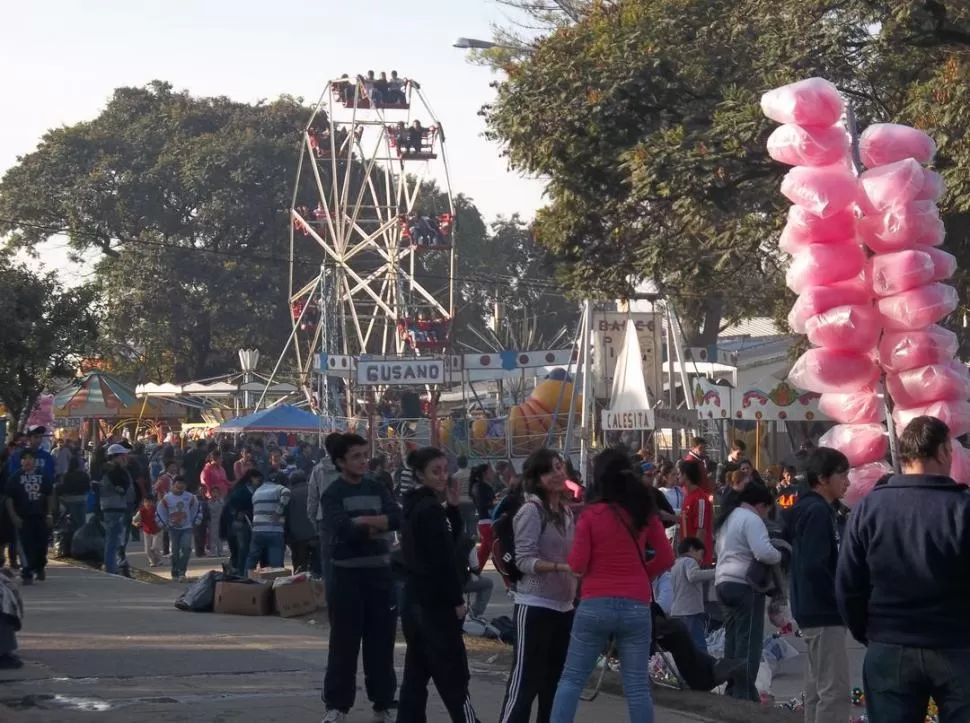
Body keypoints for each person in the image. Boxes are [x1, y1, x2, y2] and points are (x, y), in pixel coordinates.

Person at [837, 416, 970, 721]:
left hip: (889, 645)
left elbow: (848, 585)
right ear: (941, 452)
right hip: (956, 645)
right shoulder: (963, 509)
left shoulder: (869, 509)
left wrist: (870, 632)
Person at [550, 449, 674, 723]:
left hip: (595, 604)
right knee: (637, 687)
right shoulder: (644, 513)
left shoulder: (592, 515)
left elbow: (578, 565)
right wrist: (643, 574)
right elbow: (666, 557)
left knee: (571, 679)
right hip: (637, 605)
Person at [321, 433, 401, 723]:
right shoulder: (332, 493)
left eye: (365, 455)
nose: (363, 461)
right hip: (346, 577)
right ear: (341, 461)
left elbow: (396, 518)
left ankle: (384, 703)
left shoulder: (378, 487)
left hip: (380, 575)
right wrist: (375, 524)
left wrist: (364, 522)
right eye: (356, 456)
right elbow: (343, 529)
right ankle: (337, 706)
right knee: (344, 645)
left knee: (381, 644)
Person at [397, 447, 481, 723]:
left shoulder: (415, 506)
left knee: (416, 672)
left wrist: (453, 509)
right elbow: (443, 560)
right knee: (453, 675)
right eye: (436, 471)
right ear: (420, 474)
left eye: (446, 469)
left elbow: (445, 544)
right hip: (434, 603)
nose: (443, 476)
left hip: (415, 600)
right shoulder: (429, 509)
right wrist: (457, 600)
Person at [498, 449, 577, 723]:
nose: (557, 474)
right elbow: (524, 560)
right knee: (525, 683)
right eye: (549, 470)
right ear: (537, 477)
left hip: (564, 607)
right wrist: (559, 567)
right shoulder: (531, 511)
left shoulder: (566, 511)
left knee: (554, 683)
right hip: (535, 606)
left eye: (559, 467)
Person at [787, 446, 850, 723]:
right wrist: (839, 599)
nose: (847, 481)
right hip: (823, 612)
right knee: (834, 691)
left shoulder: (810, 508)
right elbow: (815, 565)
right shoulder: (817, 511)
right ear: (822, 478)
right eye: (842, 475)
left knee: (816, 688)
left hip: (811, 610)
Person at [714, 482, 781, 701]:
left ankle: (732, 688)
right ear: (761, 505)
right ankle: (744, 693)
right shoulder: (751, 519)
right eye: (767, 510)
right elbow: (763, 552)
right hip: (745, 585)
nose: (766, 516)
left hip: (723, 582)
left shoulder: (729, 517)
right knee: (749, 641)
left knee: (732, 639)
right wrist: (779, 554)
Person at [4, 449, 55, 584]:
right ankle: (26, 572)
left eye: (30, 458)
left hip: (40, 516)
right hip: (23, 517)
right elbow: (9, 498)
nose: (27, 461)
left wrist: (49, 513)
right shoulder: (15, 478)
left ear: (34, 461)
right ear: (20, 461)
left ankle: (39, 567)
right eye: (24, 458)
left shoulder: (42, 475)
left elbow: (49, 494)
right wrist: (14, 516)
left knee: (41, 545)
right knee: (25, 546)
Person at [669, 537, 715, 653]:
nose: (701, 560)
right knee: (698, 644)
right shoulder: (689, 561)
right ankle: (704, 669)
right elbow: (693, 575)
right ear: (691, 549)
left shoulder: (675, 564)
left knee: (683, 646)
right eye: (701, 554)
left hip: (677, 611)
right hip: (690, 611)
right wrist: (718, 571)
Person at [156, 476, 201, 582]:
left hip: (187, 528)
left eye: (182, 486)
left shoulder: (191, 497)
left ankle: (182, 571)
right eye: (178, 486)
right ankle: (175, 570)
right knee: (175, 551)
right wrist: (163, 523)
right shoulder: (167, 498)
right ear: (173, 485)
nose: (180, 488)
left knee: (186, 548)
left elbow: (197, 508)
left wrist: (196, 521)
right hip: (173, 529)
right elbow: (160, 510)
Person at [246, 471, 290, 573]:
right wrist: (278, 512)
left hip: (257, 530)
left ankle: (246, 580)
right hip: (274, 530)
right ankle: (275, 584)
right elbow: (287, 492)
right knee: (276, 563)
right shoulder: (278, 488)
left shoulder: (257, 491)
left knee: (252, 559)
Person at [100, 444, 134, 575]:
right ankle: (111, 567)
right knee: (113, 538)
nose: (125, 458)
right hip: (113, 506)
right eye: (123, 456)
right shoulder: (112, 471)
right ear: (115, 457)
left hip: (117, 506)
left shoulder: (116, 470)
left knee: (115, 538)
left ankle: (114, 564)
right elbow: (120, 487)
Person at [222, 469, 258, 576]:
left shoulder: (251, 490)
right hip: (239, 524)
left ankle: (234, 569)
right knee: (242, 549)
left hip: (243, 523)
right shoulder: (240, 491)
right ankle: (238, 571)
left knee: (240, 549)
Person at [679, 460, 713, 566]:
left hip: (697, 561)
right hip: (687, 557)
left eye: (679, 473)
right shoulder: (688, 496)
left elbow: (701, 530)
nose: (677, 476)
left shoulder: (700, 499)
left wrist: (695, 558)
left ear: (686, 475)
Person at [470, 463, 496, 572]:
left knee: (487, 549)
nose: (492, 473)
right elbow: (483, 504)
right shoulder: (480, 487)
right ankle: (475, 570)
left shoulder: (482, 486)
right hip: (487, 521)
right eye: (490, 471)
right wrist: (494, 503)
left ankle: (475, 571)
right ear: (485, 473)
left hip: (487, 521)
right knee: (493, 549)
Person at [132, 494, 163, 567]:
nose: (147, 504)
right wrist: (136, 524)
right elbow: (134, 521)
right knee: (147, 550)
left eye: (150, 502)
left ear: (153, 502)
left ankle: (159, 560)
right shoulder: (141, 511)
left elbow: (163, 518)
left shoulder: (157, 510)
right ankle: (152, 561)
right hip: (147, 532)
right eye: (145, 502)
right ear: (143, 503)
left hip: (157, 531)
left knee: (155, 547)